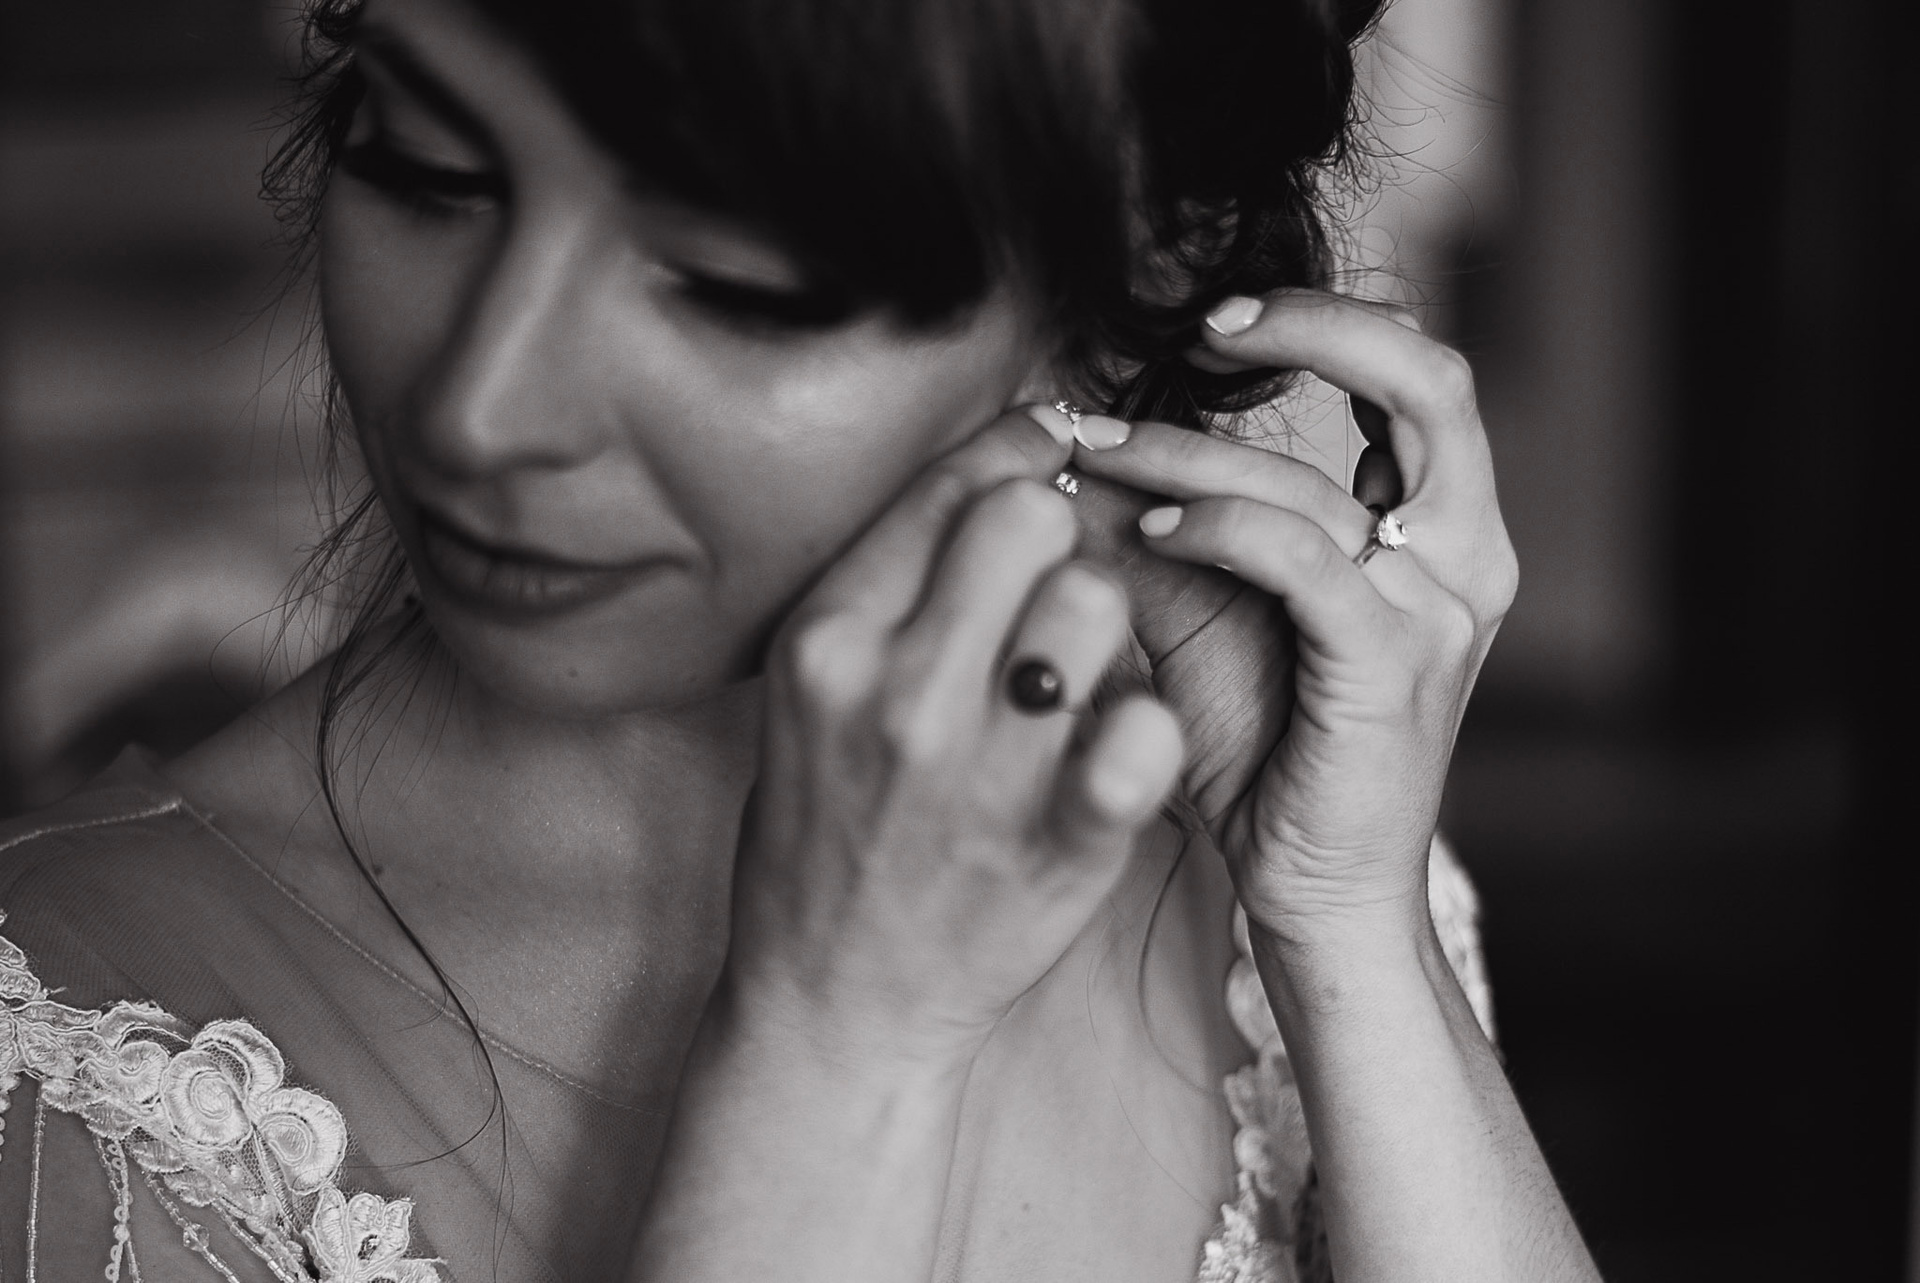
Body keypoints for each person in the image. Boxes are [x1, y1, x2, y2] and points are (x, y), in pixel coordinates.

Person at [0, 0, 1603, 1278]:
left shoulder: (1283, 892)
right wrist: (834, 1062)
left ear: (1140, 263)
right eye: (429, 169)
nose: (484, 406)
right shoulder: (80, 1074)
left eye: (736, 281)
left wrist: (1351, 926)